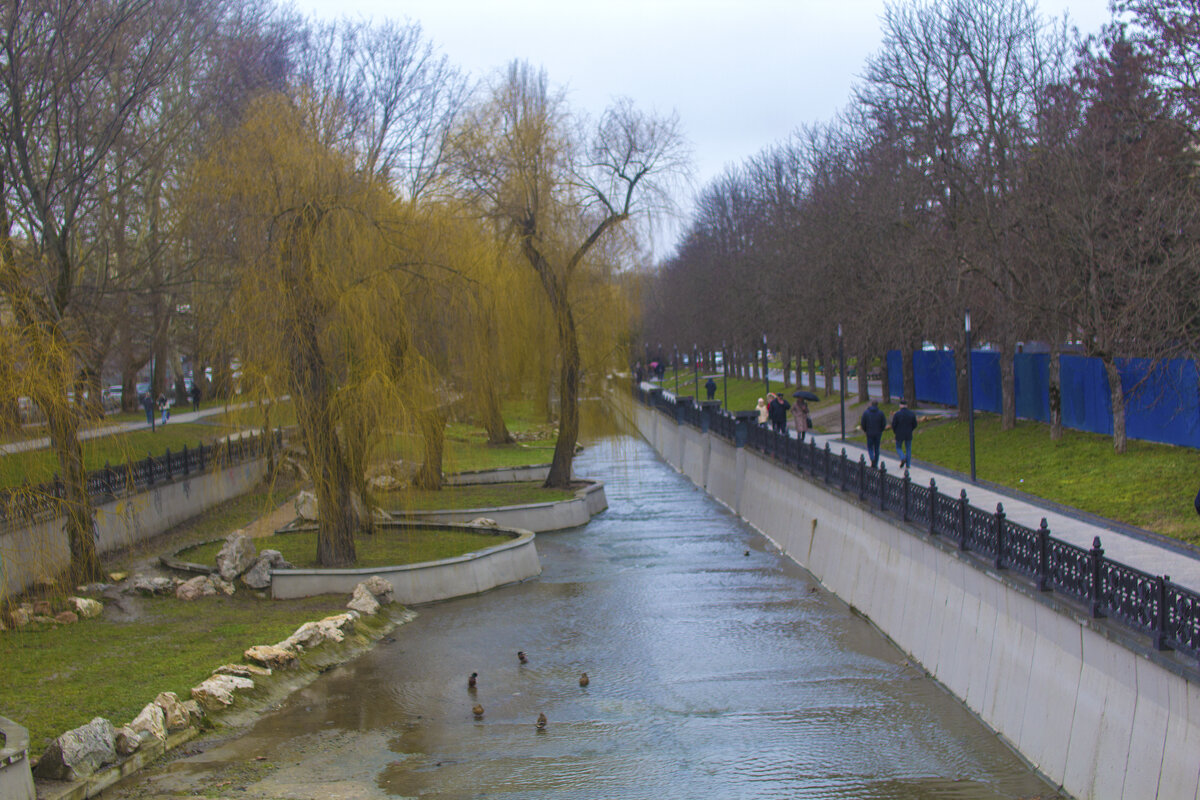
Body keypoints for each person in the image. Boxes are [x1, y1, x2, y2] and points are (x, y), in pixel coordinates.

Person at [891, 399, 919, 469]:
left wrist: (895, 431)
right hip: (908, 433)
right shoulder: (911, 414)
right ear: (906, 405)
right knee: (908, 449)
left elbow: (894, 425)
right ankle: (908, 464)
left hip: (899, 433)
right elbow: (915, 424)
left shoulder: (897, 414)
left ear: (900, 405)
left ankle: (902, 457)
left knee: (898, 447)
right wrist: (910, 429)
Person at [859, 400, 887, 468]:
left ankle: (872, 458)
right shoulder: (881, 413)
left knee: (870, 447)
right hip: (878, 433)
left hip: (869, 432)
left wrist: (865, 430)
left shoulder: (866, 413)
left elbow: (863, 423)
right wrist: (881, 429)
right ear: (877, 405)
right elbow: (884, 423)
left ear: (871, 405)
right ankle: (876, 463)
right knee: (877, 448)